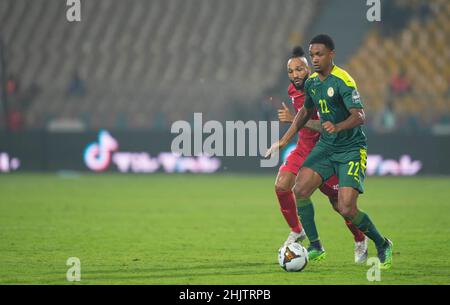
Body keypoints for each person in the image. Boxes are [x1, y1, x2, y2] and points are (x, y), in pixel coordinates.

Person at [266, 35, 393, 269]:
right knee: (300, 189)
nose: (315, 59)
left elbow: (360, 116)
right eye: (312, 54)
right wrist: (283, 142)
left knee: (345, 207)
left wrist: (338, 126)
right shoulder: (313, 83)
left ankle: (381, 243)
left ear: (331, 55)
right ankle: (315, 245)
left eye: (319, 55)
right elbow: (305, 114)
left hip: (350, 148)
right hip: (325, 147)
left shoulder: (343, 81)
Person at [274, 46, 368, 263]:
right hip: (305, 149)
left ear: (309, 69)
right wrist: (290, 132)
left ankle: (359, 238)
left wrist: (295, 120)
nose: (295, 75)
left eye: (299, 70)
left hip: (327, 150)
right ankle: (299, 231)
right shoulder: (293, 90)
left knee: (340, 205)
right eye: (291, 71)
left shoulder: (322, 86)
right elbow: (302, 117)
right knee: (282, 186)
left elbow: (328, 125)